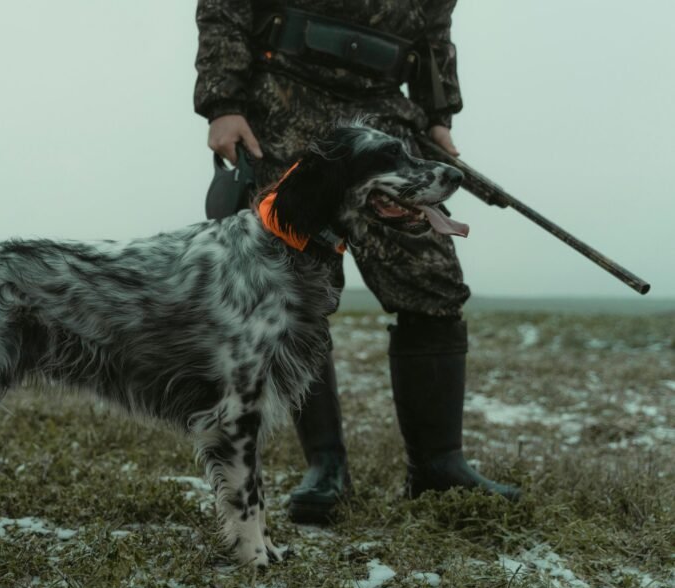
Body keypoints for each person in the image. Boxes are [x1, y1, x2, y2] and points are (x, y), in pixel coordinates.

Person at [194, 0, 520, 524]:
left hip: (388, 110)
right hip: (287, 99)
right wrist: (222, 101)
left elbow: (435, 22)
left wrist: (437, 116)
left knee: (431, 281)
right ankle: (326, 467)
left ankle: (439, 468)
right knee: (296, 290)